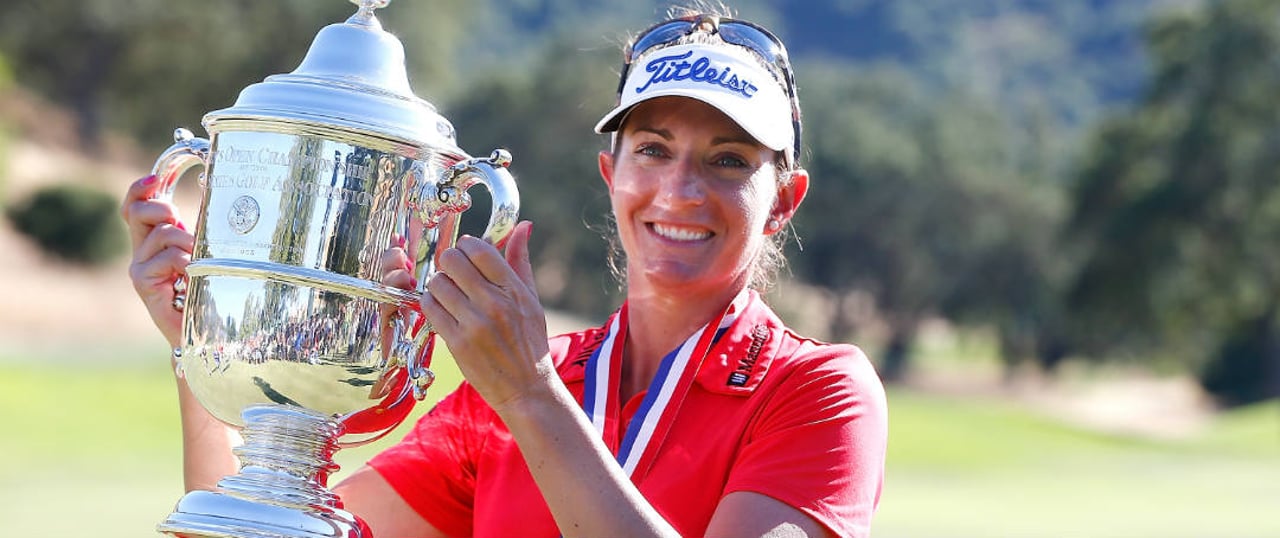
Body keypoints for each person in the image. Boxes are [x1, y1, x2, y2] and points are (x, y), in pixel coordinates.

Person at [122, 6, 887, 537]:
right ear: (609, 172)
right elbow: (268, 529)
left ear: (784, 200)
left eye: (728, 161)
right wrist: (204, 344)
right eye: (652, 149)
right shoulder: (525, 383)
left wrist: (529, 394)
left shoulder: (819, 393)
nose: (680, 191)